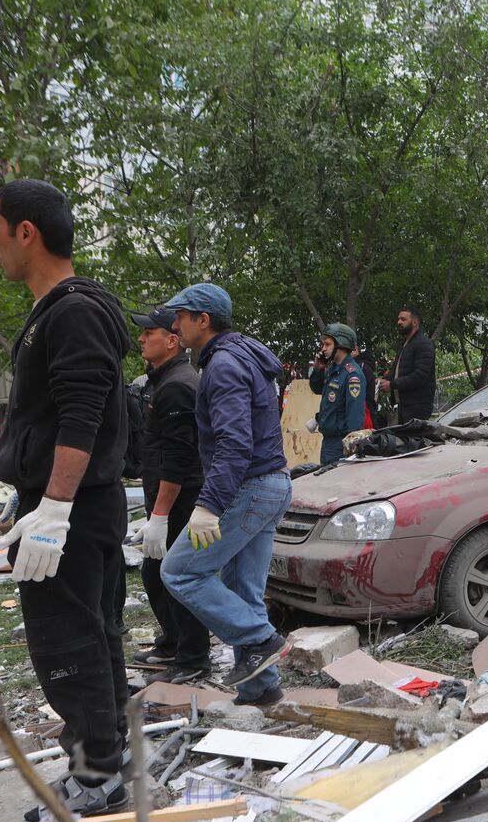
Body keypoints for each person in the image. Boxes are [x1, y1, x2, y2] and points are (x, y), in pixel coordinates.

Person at [0, 178, 132, 820]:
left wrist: (53, 510)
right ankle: (99, 758)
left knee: (67, 643)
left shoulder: (72, 309)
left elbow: (82, 412)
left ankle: (98, 778)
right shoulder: (59, 308)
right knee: (91, 635)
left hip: (72, 509)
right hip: (67, 503)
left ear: (27, 232)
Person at [159, 284, 292, 707]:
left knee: (179, 572)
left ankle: (260, 640)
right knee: (243, 589)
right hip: (269, 485)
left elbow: (235, 444)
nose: (174, 324)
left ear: (204, 320)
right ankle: (260, 686)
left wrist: (208, 506)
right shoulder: (239, 358)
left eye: (181, 316)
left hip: (249, 489)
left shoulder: (224, 366)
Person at [128, 306, 209, 684]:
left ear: (172, 340)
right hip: (166, 496)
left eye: (150, 333)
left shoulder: (177, 384)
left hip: (180, 499)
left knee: (176, 576)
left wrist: (159, 515)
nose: (142, 338)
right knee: (156, 574)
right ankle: (174, 642)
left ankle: (193, 657)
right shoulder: (163, 380)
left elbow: (178, 460)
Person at [307, 323, 366, 466]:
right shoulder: (333, 369)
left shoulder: (352, 375)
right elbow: (316, 388)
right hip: (328, 442)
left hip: (340, 444)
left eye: (327, 344)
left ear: (341, 345)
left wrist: (352, 451)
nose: (323, 349)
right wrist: (318, 368)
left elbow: (355, 417)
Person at [378, 308, 435, 423]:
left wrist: (392, 385)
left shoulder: (423, 344)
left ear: (414, 322)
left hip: (417, 406)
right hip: (405, 405)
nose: (399, 322)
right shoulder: (405, 344)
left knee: (413, 440)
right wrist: (383, 381)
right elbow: (397, 370)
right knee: (405, 440)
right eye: (398, 319)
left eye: (403, 319)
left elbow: (419, 376)